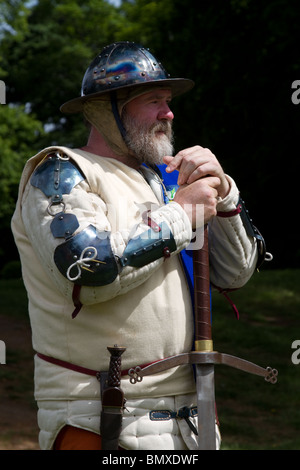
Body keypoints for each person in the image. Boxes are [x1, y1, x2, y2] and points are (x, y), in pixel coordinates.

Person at [11, 41, 265, 450]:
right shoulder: (60, 171)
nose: (169, 113)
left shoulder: (164, 180)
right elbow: (89, 271)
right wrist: (182, 215)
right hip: (98, 412)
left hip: (189, 413)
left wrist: (225, 195)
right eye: (154, 101)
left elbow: (235, 274)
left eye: (167, 101)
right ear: (104, 110)